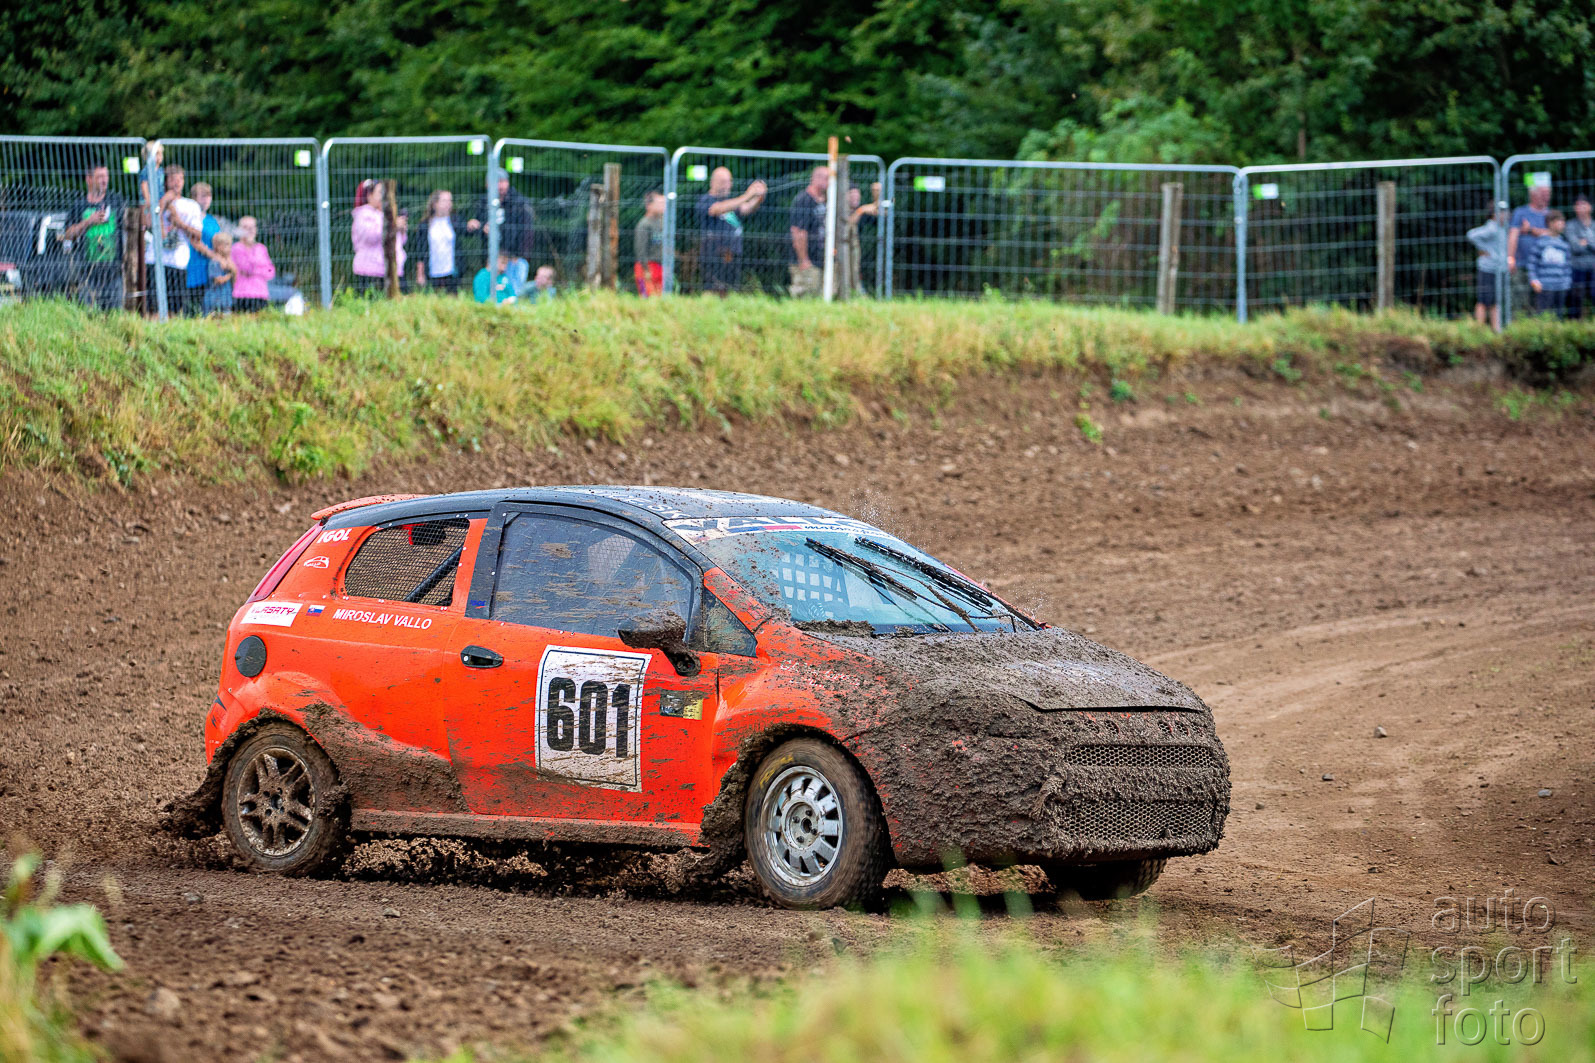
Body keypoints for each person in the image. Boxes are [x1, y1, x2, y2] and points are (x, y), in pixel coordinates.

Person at [58, 163, 126, 311]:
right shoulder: (79, 205)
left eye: (106, 176)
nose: (104, 180)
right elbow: (68, 235)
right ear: (89, 179)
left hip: (113, 271)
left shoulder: (116, 201)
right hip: (87, 272)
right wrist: (89, 221)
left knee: (114, 314)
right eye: (100, 177)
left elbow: (127, 230)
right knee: (88, 314)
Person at [695, 167, 766, 294]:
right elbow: (716, 209)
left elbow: (746, 208)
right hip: (714, 254)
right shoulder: (706, 200)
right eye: (723, 182)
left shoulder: (731, 201)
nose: (728, 185)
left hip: (733, 253)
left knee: (731, 290)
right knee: (713, 290)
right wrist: (747, 195)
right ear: (713, 182)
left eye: (729, 181)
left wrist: (758, 197)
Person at [152, 164, 205, 316]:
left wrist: (180, 223)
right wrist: (163, 201)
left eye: (180, 179)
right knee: (153, 309)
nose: (177, 183)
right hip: (156, 260)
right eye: (173, 179)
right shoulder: (156, 202)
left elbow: (198, 234)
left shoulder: (191, 205)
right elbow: (148, 220)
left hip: (178, 262)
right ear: (165, 181)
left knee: (175, 310)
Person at [351, 179, 406, 294]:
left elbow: (400, 241)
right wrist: (393, 225)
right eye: (380, 192)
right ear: (369, 196)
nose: (384, 196)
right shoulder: (363, 214)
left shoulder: (384, 214)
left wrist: (400, 229)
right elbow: (370, 236)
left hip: (391, 269)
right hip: (371, 270)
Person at [467, 171, 536, 264]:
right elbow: (476, 226)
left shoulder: (520, 203)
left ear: (508, 183)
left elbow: (527, 233)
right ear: (487, 185)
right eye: (496, 182)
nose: (500, 186)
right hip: (490, 258)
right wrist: (482, 227)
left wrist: (521, 256)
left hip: (514, 258)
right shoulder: (482, 203)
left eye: (503, 181)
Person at [1507, 181, 1551, 316]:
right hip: (1522, 263)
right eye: (1543, 193)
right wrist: (1510, 257)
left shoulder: (1550, 214)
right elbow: (1513, 235)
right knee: (1519, 299)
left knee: (1541, 302)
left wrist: (1531, 230)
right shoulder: (1521, 212)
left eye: (1548, 193)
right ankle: (1519, 324)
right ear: (1533, 194)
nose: (1546, 197)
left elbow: (1555, 233)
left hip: (1544, 266)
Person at [788, 165, 830, 298]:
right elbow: (798, 232)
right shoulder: (803, 200)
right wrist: (804, 260)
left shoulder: (825, 201)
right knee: (806, 295)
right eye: (827, 178)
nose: (830, 182)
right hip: (807, 261)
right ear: (816, 179)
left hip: (821, 259)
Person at [1466, 204, 1508, 330]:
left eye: (1505, 211)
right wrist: (1483, 249)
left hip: (1497, 269)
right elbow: (1471, 235)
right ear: (1494, 214)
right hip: (1487, 269)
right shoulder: (1491, 228)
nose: (1505, 215)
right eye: (1502, 212)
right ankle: (1479, 329)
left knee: (1495, 301)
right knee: (1483, 300)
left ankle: (1497, 330)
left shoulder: (1501, 228)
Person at [1526, 210, 1573, 318]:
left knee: (1559, 316)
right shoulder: (1540, 242)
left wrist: (1567, 282)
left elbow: (1567, 265)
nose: (1563, 224)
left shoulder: (1564, 244)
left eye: (1563, 221)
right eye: (1559, 221)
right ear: (1550, 223)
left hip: (1561, 286)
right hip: (1544, 286)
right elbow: (1532, 263)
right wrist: (1534, 279)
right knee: (1543, 316)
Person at [185, 181, 221, 316]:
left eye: (209, 195)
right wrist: (214, 256)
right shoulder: (189, 217)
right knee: (192, 308)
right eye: (203, 196)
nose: (207, 199)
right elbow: (194, 241)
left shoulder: (212, 221)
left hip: (209, 271)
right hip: (192, 269)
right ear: (193, 198)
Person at [414, 189, 460, 294]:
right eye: (444, 201)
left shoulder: (455, 221)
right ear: (435, 204)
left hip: (451, 272)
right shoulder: (425, 224)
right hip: (432, 271)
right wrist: (420, 274)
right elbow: (420, 251)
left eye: (450, 201)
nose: (449, 204)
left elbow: (467, 230)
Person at [230, 216, 276, 313]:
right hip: (243, 295)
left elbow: (270, 271)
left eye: (252, 227)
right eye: (245, 227)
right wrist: (261, 268)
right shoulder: (237, 248)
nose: (249, 230)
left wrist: (258, 270)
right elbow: (247, 269)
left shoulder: (261, 248)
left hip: (261, 294)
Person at [848, 181, 882, 296]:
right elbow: (847, 225)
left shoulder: (861, 210)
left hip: (856, 251)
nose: (855, 196)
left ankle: (857, 292)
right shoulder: (839, 208)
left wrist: (879, 197)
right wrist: (861, 211)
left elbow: (884, 212)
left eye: (857, 193)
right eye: (852, 194)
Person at [1565, 194, 1595, 319]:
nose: (1580, 207)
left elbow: (1581, 245)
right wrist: (1590, 242)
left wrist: (1585, 241)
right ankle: (1574, 323)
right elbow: (1575, 247)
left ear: (1590, 207)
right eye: (1577, 205)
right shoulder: (1570, 225)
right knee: (1576, 300)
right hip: (1577, 268)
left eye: (1583, 204)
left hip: (1593, 267)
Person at [633, 190, 666, 296]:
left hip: (660, 266)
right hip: (647, 267)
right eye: (660, 203)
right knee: (647, 297)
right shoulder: (644, 224)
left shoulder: (663, 223)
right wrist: (645, 270)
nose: (664, 206)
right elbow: (640, 249)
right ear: (649, 205)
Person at [202, 231, 236, 315]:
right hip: (214, 300)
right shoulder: (214, 262)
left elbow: (235, 277)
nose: (229, 248)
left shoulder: (228, 261)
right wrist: (229, 275)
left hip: (226, 299)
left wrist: (231, 267)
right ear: (218, 246)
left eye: (230, 245)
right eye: (226, 245)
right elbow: (218, 280)